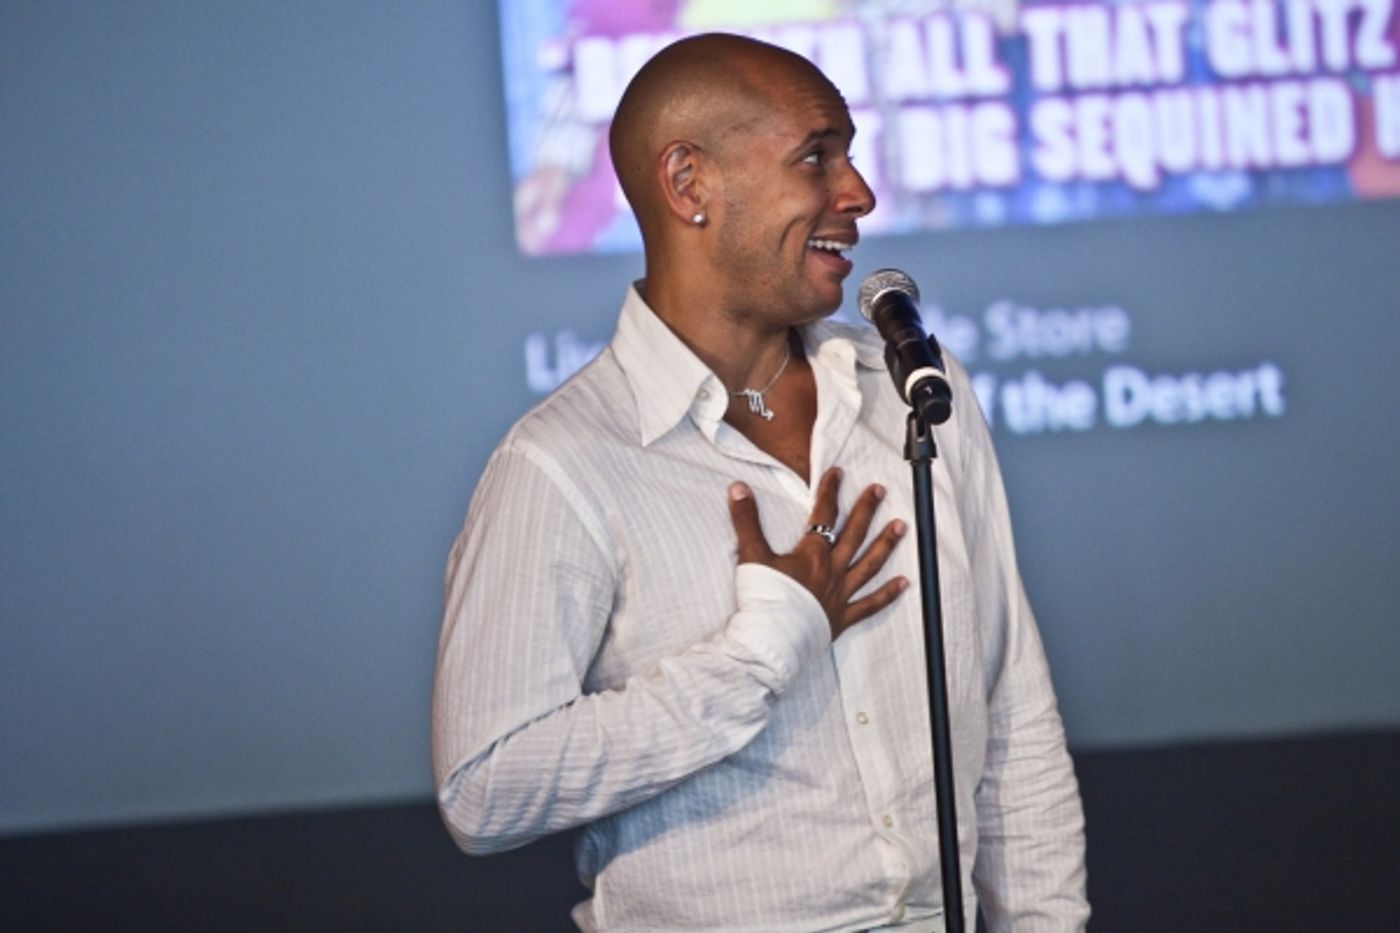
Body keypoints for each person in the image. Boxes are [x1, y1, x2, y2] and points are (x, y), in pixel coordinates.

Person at [432, 33, 1088, 932]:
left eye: (849, 155)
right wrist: (763, 652)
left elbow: (1012, 711)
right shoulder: (564, 462)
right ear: (689, 184)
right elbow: (485, 787)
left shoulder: (914, 393)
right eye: (816, 156)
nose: (858, 193)